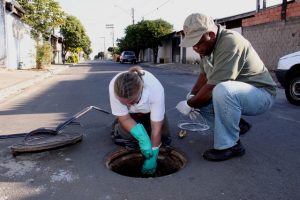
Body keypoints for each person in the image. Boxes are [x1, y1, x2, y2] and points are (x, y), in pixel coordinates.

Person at [176, 13, 277, 161]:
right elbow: (204, 77)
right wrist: (190, 97)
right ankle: (235, 126)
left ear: (210, 34)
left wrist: (189, 104)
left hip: (261, 95)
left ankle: (231, 145)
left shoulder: (230, 42)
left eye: (197, 43)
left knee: (222, 91)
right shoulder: (206, 47)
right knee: (195, 98)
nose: (195, 48)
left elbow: (213, 87)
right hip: (237, 94)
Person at [109, 66, 171, 174]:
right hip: (130, 116)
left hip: (150, 112)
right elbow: (125, 118)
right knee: (128, 136)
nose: (128, 105)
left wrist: (153, 157)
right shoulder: (115, 87)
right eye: (124, 103)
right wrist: (142, 138)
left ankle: (144, 128)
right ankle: (117, 128)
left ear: (141, 89)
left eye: (132, 101)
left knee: (164, 136)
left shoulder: (155, 89)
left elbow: (156, 129)